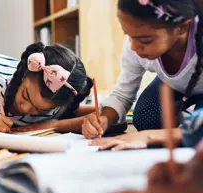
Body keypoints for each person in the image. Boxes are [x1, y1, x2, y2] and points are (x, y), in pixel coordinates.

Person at [84, 0, 203, 150]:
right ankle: (183, 120)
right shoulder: (135, 44)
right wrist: (104, 119)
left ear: (182, 28)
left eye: (145, 40)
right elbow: (122, 94)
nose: (133, 47)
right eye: (128, 36)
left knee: (199, 128)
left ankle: (187, 121)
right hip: (173, 86)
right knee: (146, 118)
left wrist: (148, 136)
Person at [0, 42, 95, 133]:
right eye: (25, 95)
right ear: (24, 73)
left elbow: (100, 114)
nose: (26, 108)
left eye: (39, 110)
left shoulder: (56, 103)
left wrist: (54, 124)